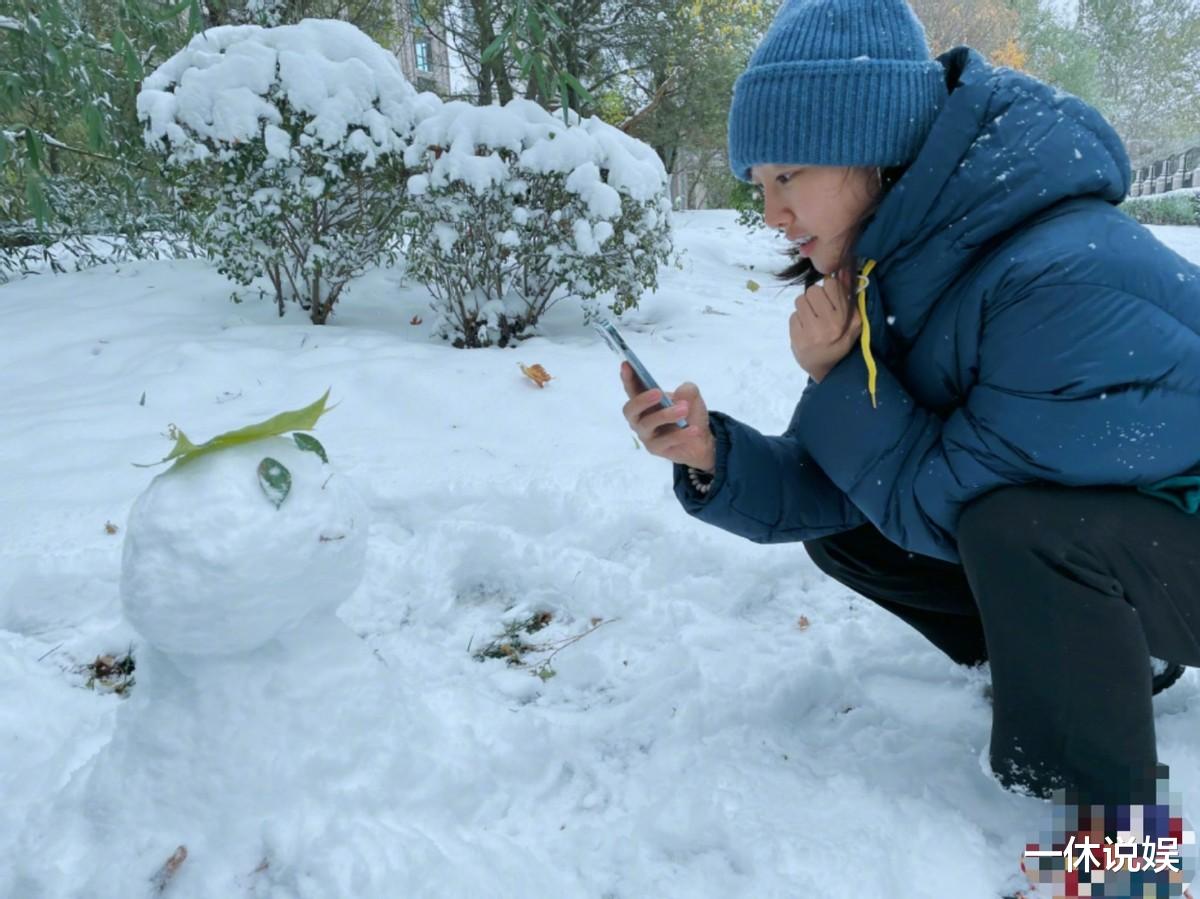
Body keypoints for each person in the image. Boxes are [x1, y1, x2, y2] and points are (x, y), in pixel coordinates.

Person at [618, 0, 1200, 811]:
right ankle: (1077, 670)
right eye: (759, 184)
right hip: (1140, 541)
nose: (772, 213)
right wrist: (714, 455)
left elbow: (949, 504)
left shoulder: (1054, 277)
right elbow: (845, 475)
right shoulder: (911, 262)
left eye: (789, 175)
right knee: (857, 525)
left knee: (1015, 528)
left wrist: (837, 377)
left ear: (874, 148)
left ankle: (1120, 844)